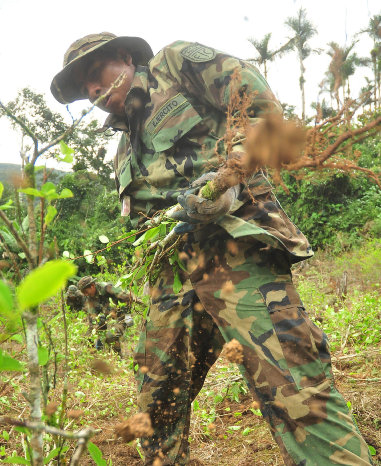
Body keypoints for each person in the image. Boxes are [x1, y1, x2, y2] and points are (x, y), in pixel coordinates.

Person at [52, 33, 372, 466]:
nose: (92, 91)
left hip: (236, 250)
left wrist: (231, 177)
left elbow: (255, 102)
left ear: (125, 57)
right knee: (155, 403)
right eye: (83, 90)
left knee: (296, 391)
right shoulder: (123, 149)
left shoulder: (175, 64)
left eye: (95, 74)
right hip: (172, 275)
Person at [77, 275, 135, 356]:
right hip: (106, 319)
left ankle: (118, 356)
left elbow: (127, 297)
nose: (85, 294)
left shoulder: (106, 288)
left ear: (92, 286)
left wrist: (127, 314)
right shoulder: (89, 299)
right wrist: (91, 338)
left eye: (86, 292)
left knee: (110, 337)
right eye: (83, 293)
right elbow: (92, 320)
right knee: (95, 335)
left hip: (120, 316)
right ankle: (106, 355)